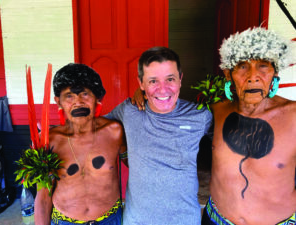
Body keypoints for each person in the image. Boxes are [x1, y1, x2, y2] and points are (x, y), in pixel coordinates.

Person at [105, 46, 213, 225]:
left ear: (180, 79)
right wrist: (123, 150)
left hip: (184, 220)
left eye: (170, 79)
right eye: (153, 81)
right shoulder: (129, 110)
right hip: (137, 221)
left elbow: (229, 142)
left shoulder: (200, 115)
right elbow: (97, 131)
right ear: (141, 83)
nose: (163, 90)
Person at [202, 27, 296, 225]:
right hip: (216, 219)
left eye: (263, 66)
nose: (253, 76)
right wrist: (143, 94)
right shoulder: (216, 112)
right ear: (228, 74)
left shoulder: (293, 116)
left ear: (275, 73)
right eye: (242, 66)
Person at [34, 63, 127, 225]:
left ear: (97, 98)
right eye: (69, 96)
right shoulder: (49, 142)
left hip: (110, 220)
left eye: (85, 94)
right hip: (65, 221)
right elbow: (43, 197)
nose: (78, 102)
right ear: (58, 101)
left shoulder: (114, 132)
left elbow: (140, 169)